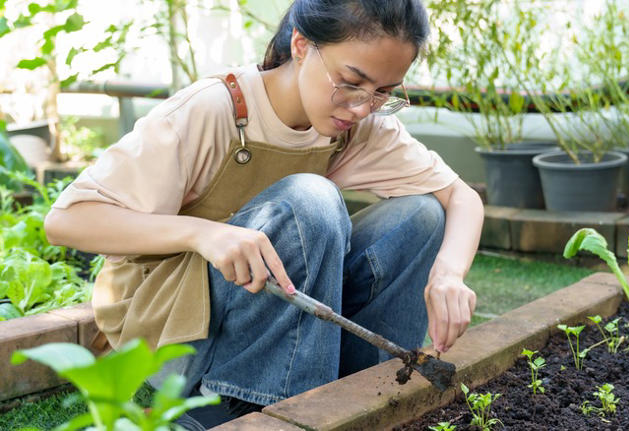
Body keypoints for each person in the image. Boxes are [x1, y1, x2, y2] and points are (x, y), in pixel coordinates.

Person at [44, 0, 484, 428]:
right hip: (171, 333)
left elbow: (462, 197)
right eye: (351, 81)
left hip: (272, 314)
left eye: (384, 93)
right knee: (312, 200)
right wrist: (202, 234)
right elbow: (67, 220)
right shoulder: (212, 109)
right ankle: (256, 409)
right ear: (300, 45)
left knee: (423, 216)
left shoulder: (362, 125)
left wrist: (448, 273)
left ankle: (368, 390)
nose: (362, 107)